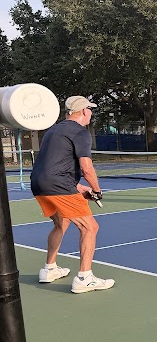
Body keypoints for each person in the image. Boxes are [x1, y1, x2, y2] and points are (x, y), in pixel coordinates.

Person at [31, 95, 115, 293]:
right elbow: (86, 168)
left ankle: (49, 269)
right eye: (90, 110)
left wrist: (78, 187)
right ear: (84, 111)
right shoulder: (80, 132)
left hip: (39, 183)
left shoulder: (52, 131)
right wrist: (96, 190)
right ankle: (85, 278)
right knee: (90, 228)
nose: (91, 113)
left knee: (62, 223)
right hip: (58, 185)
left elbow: (53, 165)